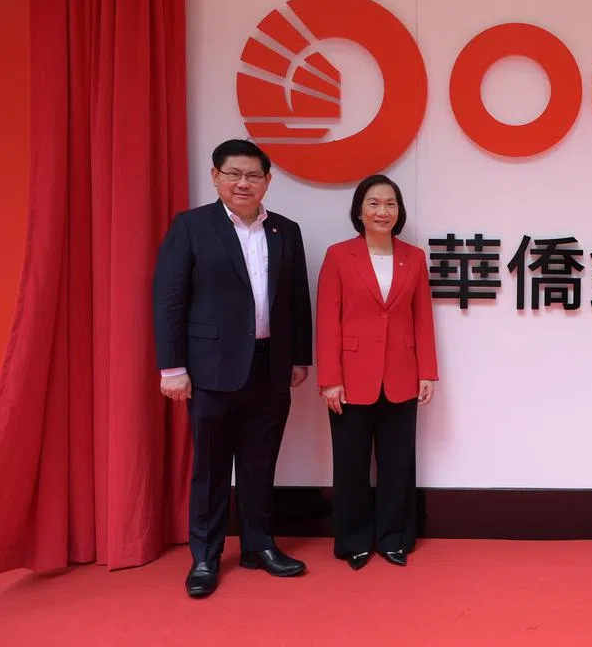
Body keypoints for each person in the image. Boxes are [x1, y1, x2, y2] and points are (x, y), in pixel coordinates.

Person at [153, 139, 312, 598]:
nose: (244, 183)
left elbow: (296, 299)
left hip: (270, 365)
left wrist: (299, 356)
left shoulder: (286, 230)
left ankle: (259, 547)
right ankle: (205, 556)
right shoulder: (191, 227)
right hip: (210, 369)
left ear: (268, 180)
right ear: (215, 176)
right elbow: (169, 301)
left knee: (261, 464)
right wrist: (171, 368)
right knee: (211, 467)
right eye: (233, 173)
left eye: (253, 175)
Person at [316, 174, 439, 570]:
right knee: (350, 463)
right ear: (359, 210)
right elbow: (328, 322)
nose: (382, 211)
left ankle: (394, 538)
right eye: (373, 203)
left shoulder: (414, 257)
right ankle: (353, 540)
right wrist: (329, 379)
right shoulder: (338, 256)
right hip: (351, 379)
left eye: (390, 204)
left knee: (397, 463)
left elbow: (423, 319)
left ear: (399, 212)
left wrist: (428, 372)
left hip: (403, 374)